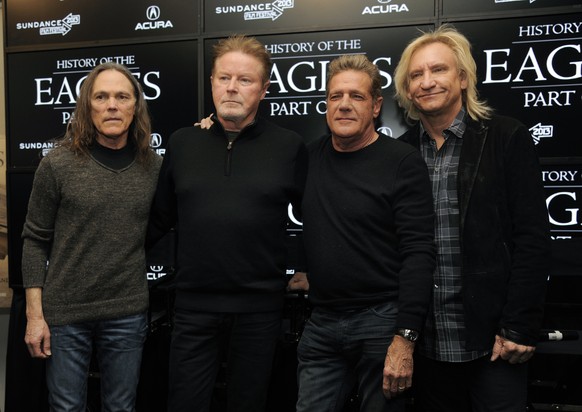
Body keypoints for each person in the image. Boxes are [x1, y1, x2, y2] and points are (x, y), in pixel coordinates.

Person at [393, 25, 551, 412]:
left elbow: (532, 238)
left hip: (493, 340)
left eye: (439, 70)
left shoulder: (505, 137)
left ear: (463, 78)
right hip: (425, 343)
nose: (427, 82)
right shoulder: (398, 154)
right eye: (416, 75)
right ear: (407, 89)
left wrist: (519, 325)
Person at [147, 34, 308, 412]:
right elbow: (157, 219)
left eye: (245, 80)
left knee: (248, 404)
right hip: (192, 307)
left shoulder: (289, 146)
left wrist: (310, 268)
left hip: (260, 310)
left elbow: (318, 215)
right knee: (184, 403)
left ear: (264, 89)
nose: (232, 88)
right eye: (223, 78)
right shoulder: (184, 142)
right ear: (212, 83)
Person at [296, 54, 436, 412]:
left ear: (376, 106)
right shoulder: (306, 159)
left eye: (356, 97)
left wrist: (404, 338)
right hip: (322, 323)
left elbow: (419, 251)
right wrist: (214, 132)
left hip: (382, 321)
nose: (343, 105)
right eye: (335, 96)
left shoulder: (402, 162)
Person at [22, 62, 162, 411]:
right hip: (66, 314)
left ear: (135, 106)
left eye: (121, 96)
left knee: (121, 407)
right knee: (66, 408)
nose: (112, 105)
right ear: (87, 106)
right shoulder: (57, 164)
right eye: (101, 96)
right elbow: (34, 241)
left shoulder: (155, 167)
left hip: (127, 312)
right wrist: (35, 316)